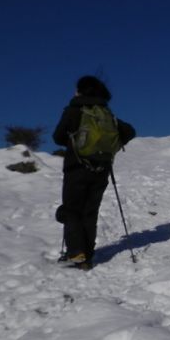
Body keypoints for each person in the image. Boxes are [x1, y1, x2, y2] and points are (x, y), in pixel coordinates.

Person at [53, 76, 135, 269]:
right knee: (90, 212)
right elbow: (130, 131)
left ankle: (76, 252)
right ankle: (87, 256)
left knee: (72, 210)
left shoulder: (74, 110)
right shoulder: (106, 113)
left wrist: (74, 142)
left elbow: (57, 137)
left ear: (81, 91)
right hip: (101, 170)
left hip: (76, 168)